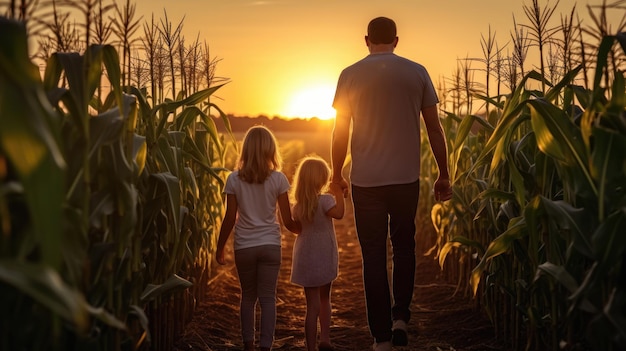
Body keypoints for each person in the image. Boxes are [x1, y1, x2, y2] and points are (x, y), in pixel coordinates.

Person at [330, 16, 453, 351]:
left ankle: (381, 337)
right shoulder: (417, 72)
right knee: (404, 248)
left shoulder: (350, 74)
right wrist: (444, 173)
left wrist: (336, 173)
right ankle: (401, 319)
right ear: (396, 40)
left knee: (373, 256)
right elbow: (434, 129)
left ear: (366, 39)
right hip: (405, 179)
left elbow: (340, 131)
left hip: (366, 182)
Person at [216, 125, 301, 351]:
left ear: (246, 150)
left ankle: (249, 346)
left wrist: (219, 247)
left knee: (248, 297)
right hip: (270, 245)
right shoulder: (279, 179)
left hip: (244, 245)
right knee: (268, 298)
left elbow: (229, 218)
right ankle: (266, 346)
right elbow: (287, 220)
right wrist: (302, 231)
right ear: (270, 150)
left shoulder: (233, 179)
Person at [289, 156, 345, 351]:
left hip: (305, 254)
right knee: (325, 298)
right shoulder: (326, 201)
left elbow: (295, 226)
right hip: (323, 253)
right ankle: (326, 339)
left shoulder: (297, 207)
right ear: (321, 179)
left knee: (310, 305)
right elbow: (339, 214)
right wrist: (338, 193)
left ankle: (310, 347)